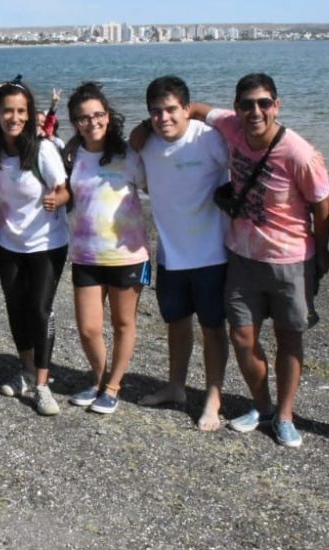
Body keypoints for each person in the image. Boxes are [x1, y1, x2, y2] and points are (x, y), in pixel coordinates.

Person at [159, 73, 329, 447]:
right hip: (240, 255)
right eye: (247, 104)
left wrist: (320, 251)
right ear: (236, 108)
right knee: (241, 336)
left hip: (290, 260)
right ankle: (263, 405)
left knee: (289, 338)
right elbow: (198, 110)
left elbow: (322, 204)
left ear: (277, 106)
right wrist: (147, 126)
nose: (256, 111)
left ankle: (285, 416)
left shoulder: (299, 153)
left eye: (264, 103)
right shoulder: (231, 126)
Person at [133, 76, 232, 431]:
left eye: (172, 109)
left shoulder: (209, 139)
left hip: (212, 253)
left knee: (212, 328)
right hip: (170, 255)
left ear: (187, 109)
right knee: (176, 322)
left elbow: (243, 143)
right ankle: (176, 385)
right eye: (156, 112)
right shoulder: (146, 146)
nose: (164, 118)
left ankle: (213, 398)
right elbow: (134, 165)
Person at [56, 82, 150, 415]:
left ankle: (112, 387)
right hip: (85, 254)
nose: (92, 122)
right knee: (89, 328)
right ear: (75, 121)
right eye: (83, 117)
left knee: (123, 324)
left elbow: (156, 186)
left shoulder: (129, 154)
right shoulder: (70, 155)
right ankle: (98, 378)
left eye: (98, 115)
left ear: (108, 117)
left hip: (127, 253)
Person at [0, 78, 70, 416]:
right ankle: (27, 372)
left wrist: (55, 198)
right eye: (8, 111)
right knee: (17, 309)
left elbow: (66, 190)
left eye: (21, 111)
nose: (14, 117)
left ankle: (44, 387)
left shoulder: (43, 149)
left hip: (47, 243)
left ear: (30, 114)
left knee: (41, 310)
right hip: (8, 243)